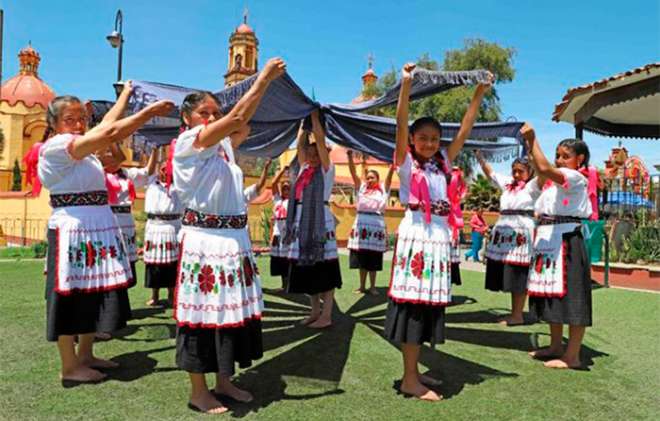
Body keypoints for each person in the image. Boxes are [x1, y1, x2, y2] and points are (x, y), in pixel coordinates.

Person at [172, 57, 286, 414]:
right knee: (202, 315)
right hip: (205, 242)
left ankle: (223, 380)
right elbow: (238, 119)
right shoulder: (189, 142)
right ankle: (197, 390)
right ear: (187, 121)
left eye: (213, 112)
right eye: (204, 113)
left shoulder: (224, 149)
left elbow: (239, 124)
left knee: (226, 315)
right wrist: (264, 78)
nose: (210, 118)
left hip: (232, 242)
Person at [38, 90, 173, 384]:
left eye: (81, 119)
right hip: (72, 229)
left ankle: (85, 355)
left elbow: (107, 124)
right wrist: (147, 114)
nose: (77, 125)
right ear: (54, 123)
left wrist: (125, 95)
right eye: (69, 119)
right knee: (69, 296)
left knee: (92, 293)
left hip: (94, 229)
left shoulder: (83, 151)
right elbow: (110, 130)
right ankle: (69, 366)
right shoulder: (57, 147)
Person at [384, 62, 492, 401]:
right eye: (423, 139)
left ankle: (415, 374)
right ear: (413, 141)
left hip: (438, 237)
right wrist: (405, 85)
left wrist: (478, 93)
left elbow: (465, 127)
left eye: (434, 139)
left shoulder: (444, 161)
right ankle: (409, 379)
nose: (429, 143)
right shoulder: (405, 162)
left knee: (427, 305)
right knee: (414, 306)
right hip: (417, 235)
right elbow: (401, 121)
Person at [521, 124, 598, 369]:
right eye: (558, 156)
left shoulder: (575, 178)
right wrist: (529, 148)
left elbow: (544, 167)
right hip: (549, 243)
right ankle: (556, 346)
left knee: (573, 297)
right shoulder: (551, 187)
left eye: (566, 156)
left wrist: (533, 139)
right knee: (552, 297)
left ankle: (572, 356)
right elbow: (541, 171)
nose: (560, 160)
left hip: (567, 241)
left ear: (580, 159)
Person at [284, 110, 342, 329]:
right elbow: (300, 145)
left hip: (320, 223)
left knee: (325, 269)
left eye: (317, 152)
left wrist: (315, 120)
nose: (312, 156)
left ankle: (326, 315)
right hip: (301, 222)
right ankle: (315, 311)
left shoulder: (327, 170)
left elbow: (318, 140)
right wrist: (303, 124)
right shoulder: (302, 169)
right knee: (308, 268)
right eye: (310, 153)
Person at [476, 150, 540, 325]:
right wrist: (479, 157)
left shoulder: (533, 186)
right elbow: (490, 172)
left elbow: (542, 171)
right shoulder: (507, 184)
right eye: (515, 171)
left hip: (520, 233)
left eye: (521, 171)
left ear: (530, 172)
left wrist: (533, 153)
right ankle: (515, 313)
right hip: (504, 232)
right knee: (510, 273)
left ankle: (517, 315)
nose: (517, 174)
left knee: (518, 273)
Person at [346, 150, 394, 295]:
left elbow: (390, 177)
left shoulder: (383, 190)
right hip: (361, 227)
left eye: (372, 178)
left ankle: (373, 287)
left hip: (376, 227)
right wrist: (349, 157)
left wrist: (393, 164)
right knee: (362, 258)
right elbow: (354, 173)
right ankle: (362, 286)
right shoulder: (361, 188)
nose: (369, 180)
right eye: (368, 178)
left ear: (377, 179)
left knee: (373, 258)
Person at [143, 147, 184, 307]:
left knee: (172, 263)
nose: (165, 172)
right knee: (154, 264)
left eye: (168, 170)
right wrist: (154, 150)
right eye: (162, 169)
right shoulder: (151, 183)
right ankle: (155, 295)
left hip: (173, 227)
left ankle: (171, 295)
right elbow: (150, 168)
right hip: (154, 227)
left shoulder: (179, 187)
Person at [269, 163, 291, 291]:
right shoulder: (277, 200)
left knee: (288, 260)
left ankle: (290, 285)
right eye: (284, 188)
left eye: (288, 188)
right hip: (278, 233)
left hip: (288, 233)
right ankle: (284, 285)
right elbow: (273, 183)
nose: (286, 190)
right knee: (279, 260)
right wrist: (282, 171)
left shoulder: (293, 201)